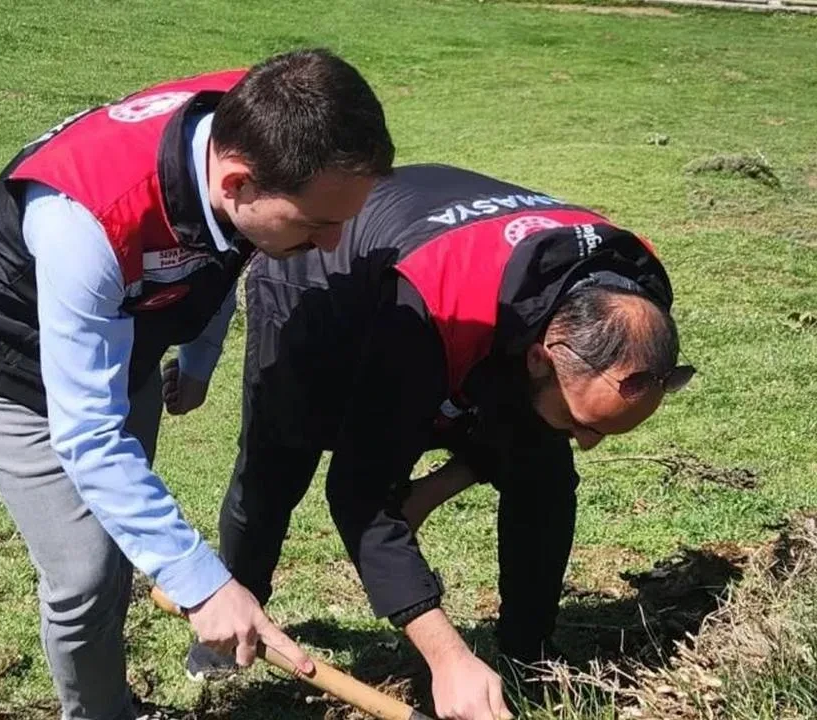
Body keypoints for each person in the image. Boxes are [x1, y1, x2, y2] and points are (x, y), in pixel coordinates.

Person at [0, 49, 394, 720]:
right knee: (87, 570)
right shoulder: (85, 225)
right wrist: (203, 584)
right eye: (319, 225)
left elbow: (223, 246)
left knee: (125, 541)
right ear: (236, 183)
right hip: (11, 350)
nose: (332, 246)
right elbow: (88, 435)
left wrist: (200, 357)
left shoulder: (260, 130)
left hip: (128, 320)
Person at [212, 164, 693, 720]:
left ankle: (528, 652)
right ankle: (234, 614)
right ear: (541, 356)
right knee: (278, 461)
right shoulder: (431, 306)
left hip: (467, 286)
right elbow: (358, 495)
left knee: (544, 471)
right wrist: (448, 658)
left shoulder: (629, 289)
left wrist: (437, 486)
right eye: (586, 422)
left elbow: (514, 415)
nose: (590, 443)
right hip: (326, 279)